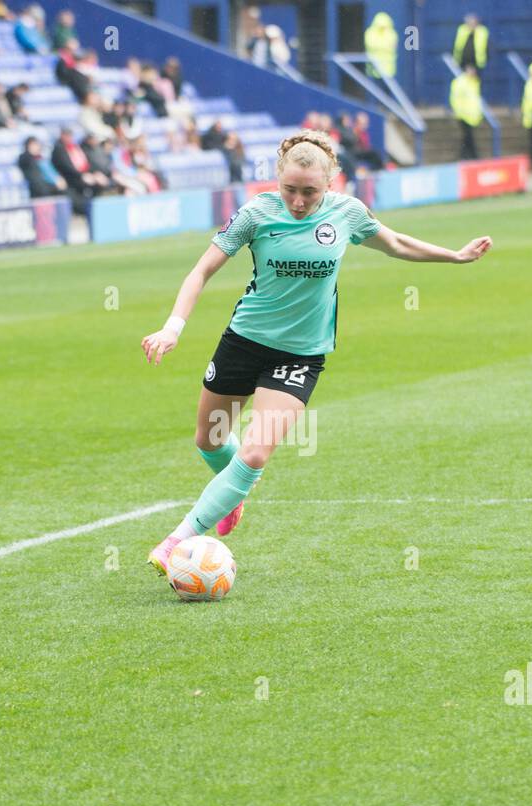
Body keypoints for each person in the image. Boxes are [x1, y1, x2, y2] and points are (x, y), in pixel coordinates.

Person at [139, 131, 492, 575]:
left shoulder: (348, 213)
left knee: (253, 455)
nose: (299, 201)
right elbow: (201, 270)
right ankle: (231, 496)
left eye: (310, 192)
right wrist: (173, 328)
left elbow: (397, 243)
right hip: (243, 341)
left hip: (300, 355)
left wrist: (454, 257)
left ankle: (177, 540)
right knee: (209, 440)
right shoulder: (256, 213)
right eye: (290, 190)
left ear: (329, 183)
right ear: (278, 179)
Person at [450, 64, 483, 160]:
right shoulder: (460, 82)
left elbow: (475, 100)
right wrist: (458, 112)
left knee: (467, 137)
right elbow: (455, 99)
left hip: (472, 116)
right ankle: (473, 156)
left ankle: (464, 155)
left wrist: (478, 114)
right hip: (463, 115)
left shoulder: (474, 82)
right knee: (468, 137)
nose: (472, 72)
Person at [363, 11, 396, 81]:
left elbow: (392, 46)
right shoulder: (370, 33)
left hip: (388, 70)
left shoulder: (391, 33)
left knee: (387, 91)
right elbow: (371, 45)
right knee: (373, 90)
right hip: (373, 70)